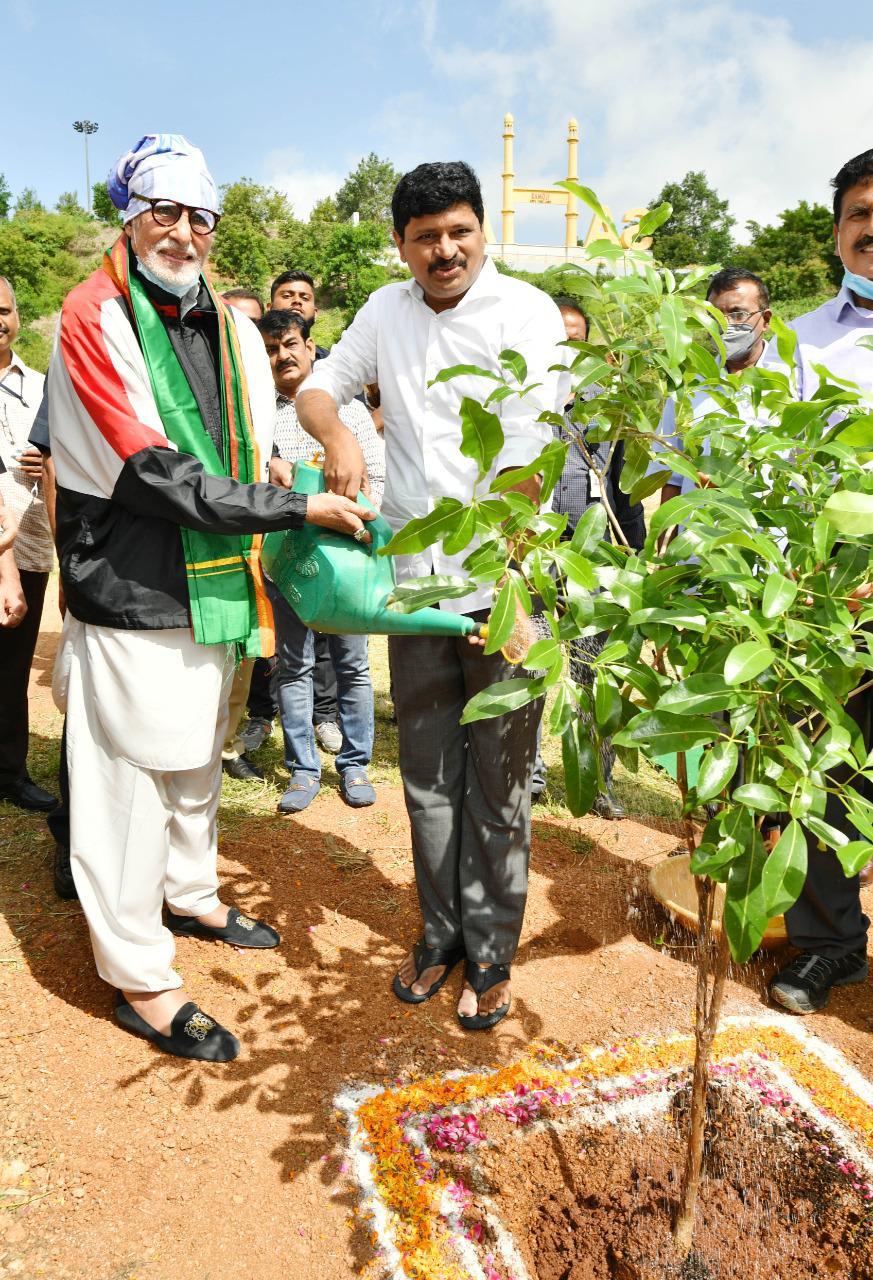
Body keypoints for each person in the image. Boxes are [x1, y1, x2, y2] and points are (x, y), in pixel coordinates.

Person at [47, 134, 374, 1062]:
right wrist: (288, 503)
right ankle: (139, 978)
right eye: (165, 212)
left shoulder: (230, 322)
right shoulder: (90, 314)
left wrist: (284, 471)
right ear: (129, 215)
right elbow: (150, 470)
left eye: (200, 216)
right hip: (133, 575)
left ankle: (188, 894)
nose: (184, 232)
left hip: (219, 578)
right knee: (127, 783)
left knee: (197, 757)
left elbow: (247, 439)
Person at [297, 160, 566, 1029]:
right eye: (425, 238)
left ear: (481, 230)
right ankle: (440, 934)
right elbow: (316, 387)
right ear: (401, 246)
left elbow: (534, 461)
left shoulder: (524, 313)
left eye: (458, 232)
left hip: (499, 585)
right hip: (412, 587)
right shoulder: (384, 310)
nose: (444, 251)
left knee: (500, 776)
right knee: (426, 773)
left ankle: (490, 954)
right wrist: (336, 426)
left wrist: (516, 585)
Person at [760, 150, 873, 1013]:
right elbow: (771, 467)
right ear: (836, 231)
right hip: (831, 601)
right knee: (826, 768)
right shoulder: (798, 339)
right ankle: (828, 944)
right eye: (859, 212)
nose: (872, 226)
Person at [258, 307, 383, 812]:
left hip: (346, 560)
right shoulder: (256, 416)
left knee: (352, 665)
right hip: (285, 562)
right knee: (293, 666)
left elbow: (376, 474)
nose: (282, 355)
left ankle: (354, 765)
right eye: (271, 350)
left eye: (290, 343)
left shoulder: (347, 410)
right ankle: (303, 769)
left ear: (311, 347)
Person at [531, 297, 646, 814]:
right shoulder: (521, 401)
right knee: (528, 664)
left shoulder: (608, 407)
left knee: (595, 670)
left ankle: (595, 782)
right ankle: (525, 774)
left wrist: (635, 553)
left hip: (594, 557)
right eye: (551, 335)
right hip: (533, 554)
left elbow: (626, 488)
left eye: (573, 337)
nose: (563, 345)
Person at [0, 276, 57, 813]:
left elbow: (64, 456)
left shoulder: (40, 387)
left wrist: (48, 462)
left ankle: (10, 773)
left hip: (33, 544)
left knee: (14, 664)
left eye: (4, 309)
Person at [657, 267, 772, 510]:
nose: (725, 324)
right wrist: (665, 538)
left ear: (766, 320)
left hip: (770, 536)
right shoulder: (687, 387)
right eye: (715, 316)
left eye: (737, 314)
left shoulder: (793, 381)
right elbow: (673, 475)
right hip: (697, 536)